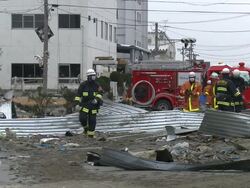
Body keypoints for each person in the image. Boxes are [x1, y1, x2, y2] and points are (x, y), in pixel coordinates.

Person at [74, 69, 103, 138]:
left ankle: (90, 135)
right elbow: (78, 95)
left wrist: (96, 99)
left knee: (92, 121)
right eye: (93, 76)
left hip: (94, 106)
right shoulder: (83, 85)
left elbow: (100, 93)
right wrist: (77, 104)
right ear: (89, 76)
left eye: (94, 76)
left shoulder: (97, 85)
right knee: (82, 119)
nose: (94, 77)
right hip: (85, 105)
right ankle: (86, 128)